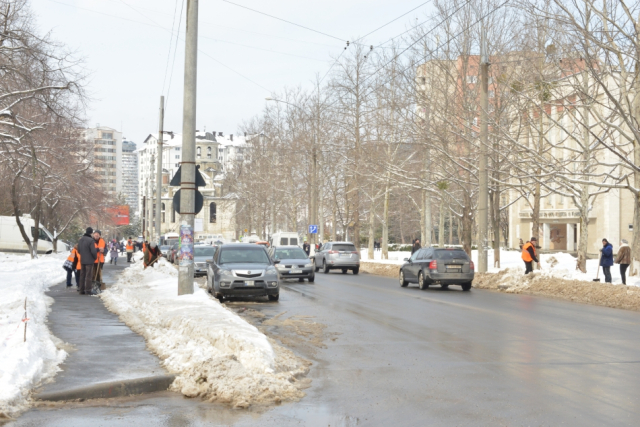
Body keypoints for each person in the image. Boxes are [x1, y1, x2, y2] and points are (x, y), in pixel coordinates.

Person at [77, 227, 98, 294]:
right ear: (91, 233)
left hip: (82, 260)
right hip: (89, 261)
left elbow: (78, 250)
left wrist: (83, 255)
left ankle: (81, 290)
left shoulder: (80, 240)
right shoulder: (91, 240)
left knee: (82, 275)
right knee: (88, 275)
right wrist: (94, 257)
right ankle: (88, 290)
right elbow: (93, 251)